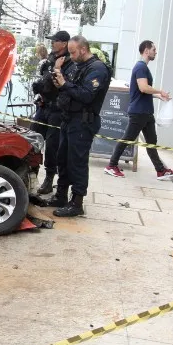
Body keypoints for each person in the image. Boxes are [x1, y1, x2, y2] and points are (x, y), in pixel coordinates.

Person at [36, 35, 112, 217]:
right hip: (68, 119)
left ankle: (77, 202)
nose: (71, 56)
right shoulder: (79, 66)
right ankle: (61, 195)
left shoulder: (97, 69)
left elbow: (86, 95)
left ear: (83, 49)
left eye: (73, 52)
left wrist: (65, 84)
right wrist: (60, 84)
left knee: (77, 162)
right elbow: (69, 89)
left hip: (83, 122)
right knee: (62, 158)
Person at [105, 40, 173, 180]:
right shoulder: (140, 67)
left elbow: (143, 91)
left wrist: (159, 96)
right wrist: (160, 91)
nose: (155, 52)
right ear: (146, 50)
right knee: (128, 138)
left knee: (151, 141)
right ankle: (111, 165)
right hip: (139, 112)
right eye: (154, 49)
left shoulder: (143, 67)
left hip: (146, 112)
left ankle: (161, 170)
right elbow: (143, 88)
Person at [30, 31, 73, 198]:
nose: (52, 43)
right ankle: (31, 173)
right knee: (33, 139)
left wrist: (46, 82)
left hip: (57, 110)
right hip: (43, 106)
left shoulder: (68, 62)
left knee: (53, 146)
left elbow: (57, 84)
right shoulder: (51, 59)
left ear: (64, 43)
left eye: (55, 41)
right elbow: (44, 79)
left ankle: (49, 179)